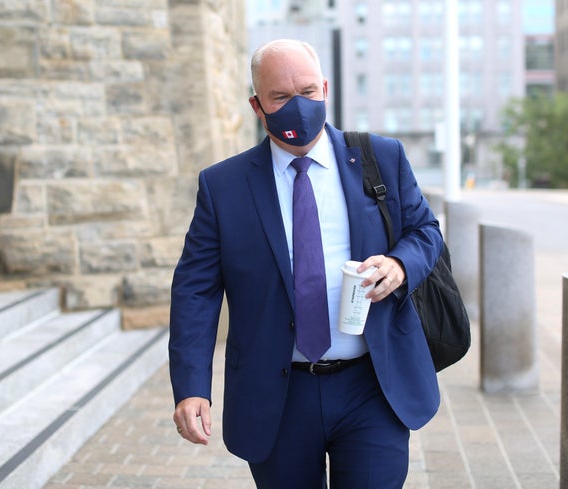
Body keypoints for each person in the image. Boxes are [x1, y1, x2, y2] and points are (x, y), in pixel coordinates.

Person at [169, 38, 443, 489]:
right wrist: (191, 385)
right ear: (258, 105)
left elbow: (426, 232)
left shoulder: (380, 158)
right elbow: (194, 290)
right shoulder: (223, 186)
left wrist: (399, 265)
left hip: (373, 384)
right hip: (276, 393)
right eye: (281, 97)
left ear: (326, 89)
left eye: (308, 91)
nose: (298, 105)